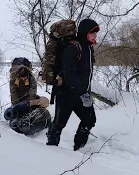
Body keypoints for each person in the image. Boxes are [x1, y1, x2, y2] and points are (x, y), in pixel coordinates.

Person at [46, 19, 99, 151]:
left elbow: (86, 74)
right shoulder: (73, 47)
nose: (95, 35)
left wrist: (85, 92)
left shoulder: (89, 48)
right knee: (59, 124)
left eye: (96, 32)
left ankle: (79, 149)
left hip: (83, 94)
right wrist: (79, 90)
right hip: (66, 93)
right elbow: (68, 74)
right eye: (93, 33)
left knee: (90, 120)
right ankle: (50, 150)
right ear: (85, 32)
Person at [8, 58, 52, 135]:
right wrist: (16, 106)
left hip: (29, 98)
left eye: (25, 77)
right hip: (19, 98)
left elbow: (32, 95)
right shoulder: (13, 79)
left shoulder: (32, 80)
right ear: (18, 76)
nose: (23, 78)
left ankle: (41, 117)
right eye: (22, 77)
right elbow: (13, 93)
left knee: (43, 102)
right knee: (15, 114)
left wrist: (28, 105)